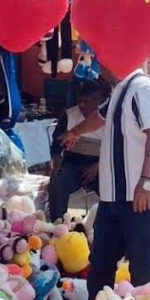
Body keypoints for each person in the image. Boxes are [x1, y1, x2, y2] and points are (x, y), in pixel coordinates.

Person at [62, 68, 150, 300]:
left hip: (141, 195)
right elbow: (99, 118)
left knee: (141, 265)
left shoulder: (143, 89)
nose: (100, 69)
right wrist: (75, 131)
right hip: (114, 195)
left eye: (104, 61)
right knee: (101, 260)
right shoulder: (120, 90)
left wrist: (145, 181)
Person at [48, 81, 105, 221]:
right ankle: (58, 223)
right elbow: (57, 144)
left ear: (98, 101)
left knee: (113, 186)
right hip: (72, 165)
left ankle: (103, 224)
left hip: (100, 166)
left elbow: (117, 150)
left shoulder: (108, 117)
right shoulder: (69, 115)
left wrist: (99, 166)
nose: (82, 105)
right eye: (80, 101)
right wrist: (57, 160)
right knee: (58, 179)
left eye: (87, 101)